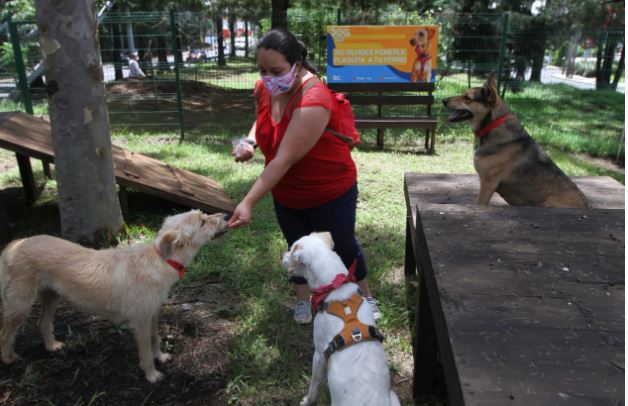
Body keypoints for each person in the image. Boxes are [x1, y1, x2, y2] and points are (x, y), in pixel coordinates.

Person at [227, 28, 381, 324]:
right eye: (262, 70)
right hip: (287, 193)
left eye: (276, 70)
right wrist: (250, 141)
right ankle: (303, 301)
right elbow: (263, 120)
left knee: (345, 246)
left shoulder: (314, 98)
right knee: (295, 245)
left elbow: (283, 159)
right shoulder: (265, 88)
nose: (268, 78)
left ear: (296, 65)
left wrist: (247, 202)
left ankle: (366, 297)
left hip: (330, 189)